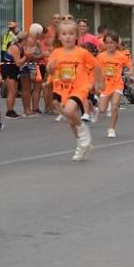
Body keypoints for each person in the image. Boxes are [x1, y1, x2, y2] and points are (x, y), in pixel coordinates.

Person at [47, 19, 102, 161]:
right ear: (59, 36)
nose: (68, 37)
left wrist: (99, 83)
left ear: (76, 36)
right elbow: (50, 70)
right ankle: (82, 145)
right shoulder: (56, 53)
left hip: (79, 87)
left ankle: (84, 135)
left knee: (70, 111)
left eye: (71, 33)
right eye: (64, 34)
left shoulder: (82, 53)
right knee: (71, 120)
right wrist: (50, 69)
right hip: (62, 88)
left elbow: (96, 66)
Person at [96, 30, 130, 138]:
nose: (110, 45)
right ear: (104, 44)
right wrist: (97, 82)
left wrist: (128, 73)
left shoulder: (122, 56)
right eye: (107, 43)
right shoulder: (100, 56)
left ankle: (111, 129)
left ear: (116, 44)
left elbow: (130, 68)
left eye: (112, 43)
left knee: (115, 106)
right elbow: (96, 71)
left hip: (117, 84)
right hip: (105, 85)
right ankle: (97, 108)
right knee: (102, 110)